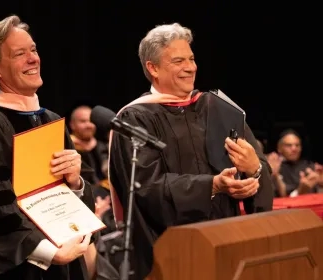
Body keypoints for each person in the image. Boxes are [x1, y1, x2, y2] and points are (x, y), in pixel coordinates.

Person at [108, 23, 273, 279]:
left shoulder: (218, 107)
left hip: (226, 243)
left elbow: (257, 167)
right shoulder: (134, 118)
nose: (190, 67)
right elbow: (146, 187)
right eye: (178, 61)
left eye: (192, 58)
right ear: (153, 68)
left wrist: (255, 170)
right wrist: (213, 185)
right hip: (169, 253)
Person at [0, 15, 95, 280]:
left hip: (64, 261)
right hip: (19, 269)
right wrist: (50, 253)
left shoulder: (51, 119)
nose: (33, 59)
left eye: (33, 50)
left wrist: (76, 181)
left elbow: (73, 197)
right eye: (20, 53)